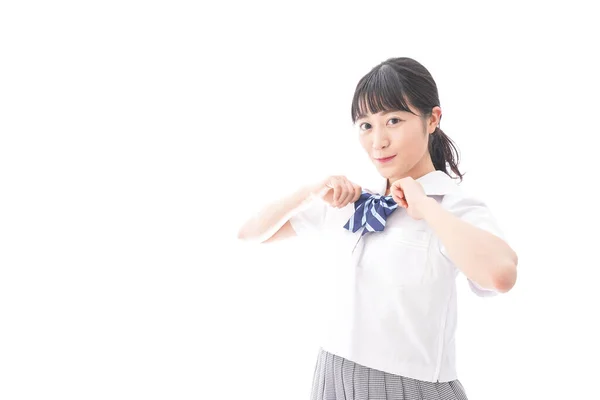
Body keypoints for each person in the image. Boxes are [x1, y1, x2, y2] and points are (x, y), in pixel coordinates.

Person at [237, 57, 518, 400]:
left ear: (433, 119)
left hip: (411, 387)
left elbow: (501, 275)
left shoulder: (450, 206)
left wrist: (425, 205)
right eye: (366, 125)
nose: (378, 141)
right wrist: (312, 190)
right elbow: (250, 232)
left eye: (394, 120)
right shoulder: (349, 203)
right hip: (331, 378)